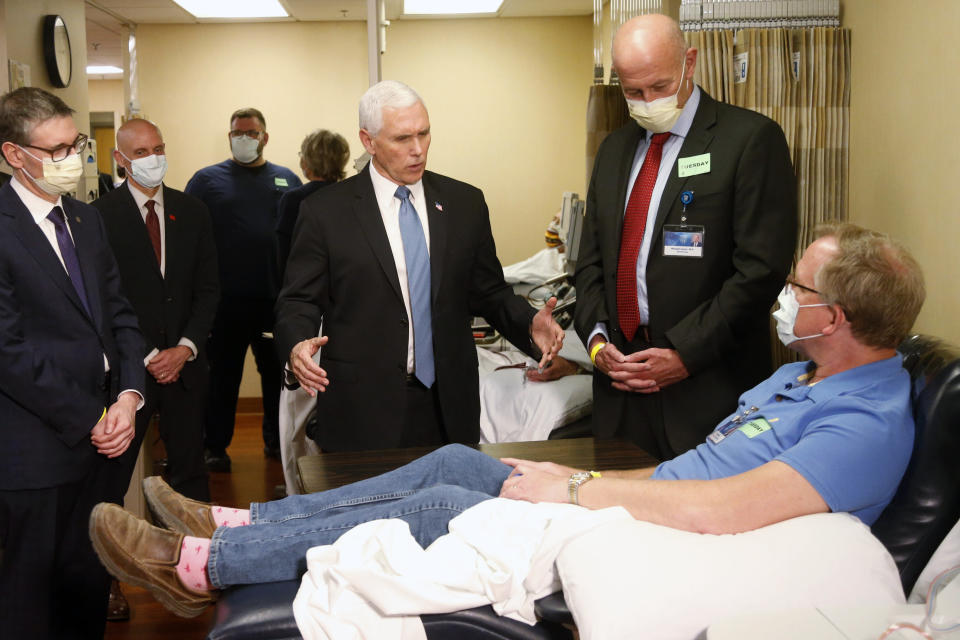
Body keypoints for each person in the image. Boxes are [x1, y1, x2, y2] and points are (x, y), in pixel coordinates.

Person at [90, 222, 925, 617]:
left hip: (668, 543)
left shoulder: (864, 425)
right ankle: (242, 520)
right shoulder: (806, 379)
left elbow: (716, 512)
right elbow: (689, 480)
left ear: (841, 315)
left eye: (800, 292)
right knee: (455, 458)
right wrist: (583, 482)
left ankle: (201, 565)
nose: (785, 301)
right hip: (646, 510)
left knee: (455, 506)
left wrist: (578, 486)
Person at [274, 80, 564, 451]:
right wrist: (297, 344)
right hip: (361, 409)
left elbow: (489, 292)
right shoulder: (326, 212)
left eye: (424, 134)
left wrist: (529, 322)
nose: (417, 150)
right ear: (368, 140)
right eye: (401, 139)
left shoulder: (464, 203)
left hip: (448, 406)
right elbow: (297, 300)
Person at [574, 14, 797, 461]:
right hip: (621, 389)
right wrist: (598, 342)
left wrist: (683, 353)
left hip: (707, 387)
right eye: (633, 91)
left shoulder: (749, 140)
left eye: (659, 87)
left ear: (689, 63)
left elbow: (759, 270)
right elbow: (591, 262)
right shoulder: (615, 150)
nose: (647, 101)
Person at [0, 87, 145, 638]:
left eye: (76, 144)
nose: (72, 160)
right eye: (56, 150)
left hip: (107, 442)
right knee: (30, 598)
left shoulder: (86, 220)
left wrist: (129, 397)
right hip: (35, 450)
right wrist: (91, 417)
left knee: (88, 581)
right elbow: (9, 351)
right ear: (16, 155)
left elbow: (122, 318)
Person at [95, 118, 220, 503]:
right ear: (120, 159)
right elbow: (104, 297)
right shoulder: (98, 217)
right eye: (141, 152)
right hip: (131, 371)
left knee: (191, 473)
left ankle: (197, 556)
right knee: (111, 478)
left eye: (158, 149)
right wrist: (148, 353)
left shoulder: (192, 210)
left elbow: (209, 288)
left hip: (186, 366)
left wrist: (184, 348)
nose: (154, 158)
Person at [185, 108, 302, 471]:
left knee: (277, 379)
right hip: (224, 303)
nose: (243, 139)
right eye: (237, 133)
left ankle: (275, 444)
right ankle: (215, 447)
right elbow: (190, 239)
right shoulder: (206, 181)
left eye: (250, 133)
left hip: (273, 300)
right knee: (222, 377)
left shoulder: (286, 180)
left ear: (264, 137)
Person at [275, 128, 350, 278]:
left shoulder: (294, 200)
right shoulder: (351, 196)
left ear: (306, 161)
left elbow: (283, 251)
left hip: (304, 283)